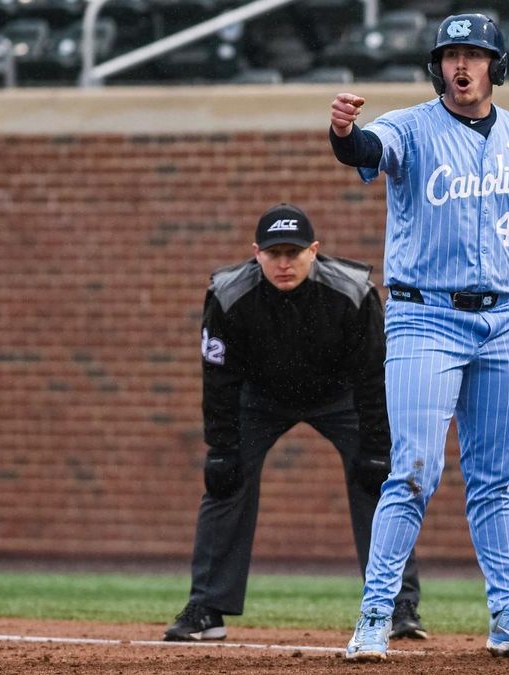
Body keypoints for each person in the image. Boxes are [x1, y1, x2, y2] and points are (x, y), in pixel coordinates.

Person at [327, 12, 509, 663]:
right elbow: (365, 150)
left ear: (495, 65)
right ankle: (375, 614)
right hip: (423, 317)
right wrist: (342, 131)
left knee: (493, 479)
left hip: (502, 322)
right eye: (450, 55)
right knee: (414, 470)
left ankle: (508, 614)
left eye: (475, 54)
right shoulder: (410, 126)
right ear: (437, 67)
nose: (461, 65)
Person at [163, 203, 427, 643]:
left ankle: (397, 605)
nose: (283, 263)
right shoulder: (228, 294)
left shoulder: (353, 291)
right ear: (256, 254)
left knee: (379, 479)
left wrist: (377, 447)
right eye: (273, 253)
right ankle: (206, 608)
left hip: (340, 396)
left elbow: (373, 374)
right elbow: (218, 376)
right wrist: (221, 448)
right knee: (225, 480)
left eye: (294, 252)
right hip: (260, 398)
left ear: (314, 251)